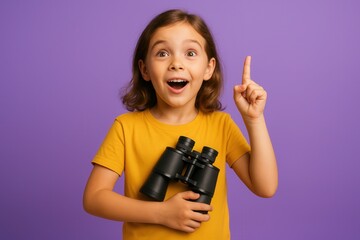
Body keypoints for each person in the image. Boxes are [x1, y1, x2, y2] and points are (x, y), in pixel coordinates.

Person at [83, 9, 278, 240]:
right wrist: (161, 213)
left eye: (191, 53)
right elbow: (93, 198)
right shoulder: (126, 127)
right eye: (163, 53)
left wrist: (254, 119)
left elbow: (265, 187)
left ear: (209, 68)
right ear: (145, 69)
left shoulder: (221, 125)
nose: (176, 63)